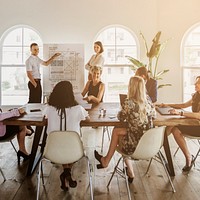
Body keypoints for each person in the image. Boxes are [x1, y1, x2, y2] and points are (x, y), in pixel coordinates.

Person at [94, 76, 155, 182]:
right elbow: (154, 116)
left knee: (117, 133)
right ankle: (128, 171)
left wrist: (124, 112)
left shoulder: (129, 103)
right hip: (149, 144)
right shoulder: (149, 101)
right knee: (119, 132)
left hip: (134, 147)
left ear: (132, 87)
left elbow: (121, 117)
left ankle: (106, 161)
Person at [43, 81, 89, 191]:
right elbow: (88, 119)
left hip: (52, 150)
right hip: (74, 151)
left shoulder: (49, 108)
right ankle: (67, 172)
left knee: (62, 144)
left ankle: (66, 173)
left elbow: (44, 118)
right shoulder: (78, 109)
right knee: (69, 146)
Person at [158, 76, 200, 172]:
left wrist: (180, 113)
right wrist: (167, 105)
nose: (195, 84)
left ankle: (156, 145)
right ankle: (188, 157)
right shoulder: (196, 96)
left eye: (198, 83)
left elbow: (198, 115)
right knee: (175, 129)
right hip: (194, 124)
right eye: (195, 82)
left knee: (173, 125)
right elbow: (183, 105)